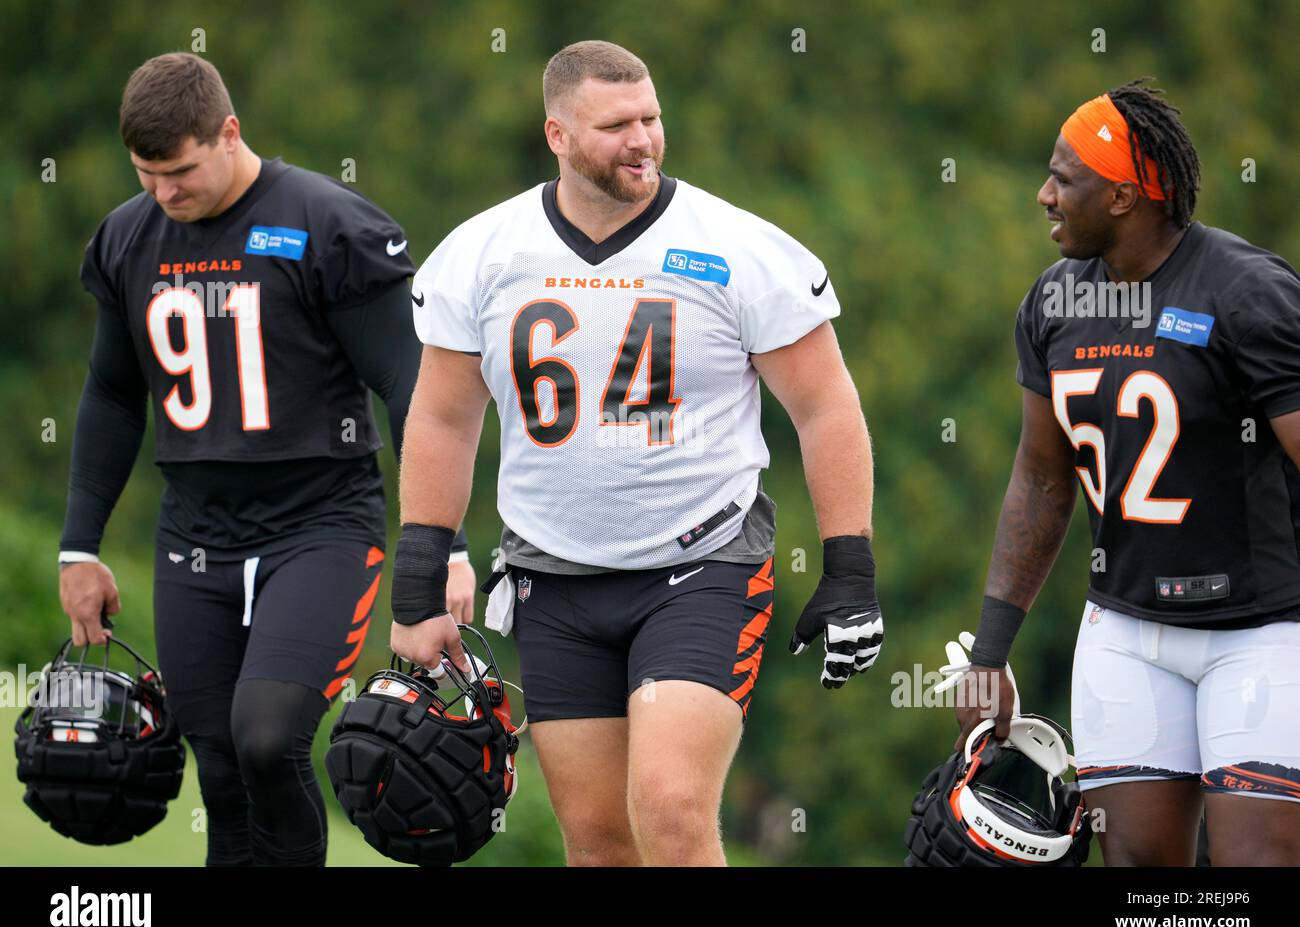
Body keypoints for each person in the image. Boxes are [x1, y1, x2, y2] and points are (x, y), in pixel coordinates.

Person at [389, 40, 883, 866]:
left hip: (700, 565)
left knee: (673, 810)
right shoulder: (485, 251)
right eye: (616, 125)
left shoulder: (737, 247)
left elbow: (826, 405)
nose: (643, 140)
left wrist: (850, 568)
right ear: (557, 134)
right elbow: (442, 418)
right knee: (598, 844)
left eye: (651, 118)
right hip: (553, 574)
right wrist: (417, 585)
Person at [57, 52, 475, 866]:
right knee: (218, 765)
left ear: (230, 132)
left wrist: (443, 544)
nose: (165, 194)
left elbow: (412, 386)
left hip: (321, 524)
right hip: (195, 531)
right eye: (146, 175)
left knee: (268, 735)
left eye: (179, 171)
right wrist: (81, 546)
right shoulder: (127, 237)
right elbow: (111, 395)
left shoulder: (327, 222)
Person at [955, 80, 1300, 866]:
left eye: (1063, 179)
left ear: (1122, 196)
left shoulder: (1247, 293)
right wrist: (989, 653)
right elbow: (1042, 481)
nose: (1044, 195)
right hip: (1125, 631)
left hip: (1263, 630)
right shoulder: (1054, 303)